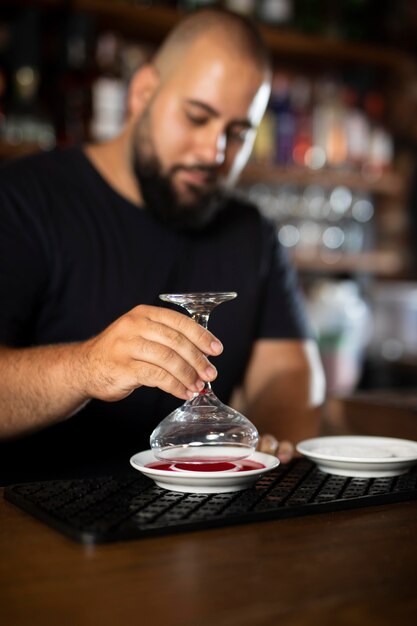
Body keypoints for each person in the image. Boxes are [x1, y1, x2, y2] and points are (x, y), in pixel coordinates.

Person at [0, 8, 325, 484]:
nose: (214, 152)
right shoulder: (22, 200)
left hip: (202, 519)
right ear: (142, 93)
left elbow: (290, 374)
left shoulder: (251, 232)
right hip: (38, 525)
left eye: (237, 134)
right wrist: (86, 369)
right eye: (197, 117)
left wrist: (269, 439)